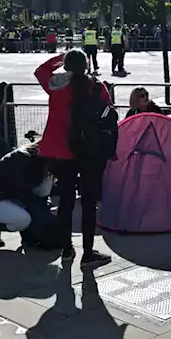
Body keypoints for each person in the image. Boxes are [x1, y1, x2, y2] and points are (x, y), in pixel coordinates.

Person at [34, 50, 114, 268]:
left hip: (61, 150)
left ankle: (67, 249)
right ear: (86, 65)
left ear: (67, 66)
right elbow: (107, 118)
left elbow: (40, 70)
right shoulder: (97, 87)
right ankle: (88, 253)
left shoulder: (55, 84)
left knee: (65, 203)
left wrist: (60, 56)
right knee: (88, 204)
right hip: (88, 152)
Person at [0, 141, 56, 249]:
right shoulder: (22, 159)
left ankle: (29, 232)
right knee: (24, 220)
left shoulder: (37, 160)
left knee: (43, 191)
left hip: (10, 197)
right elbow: (24, 194)